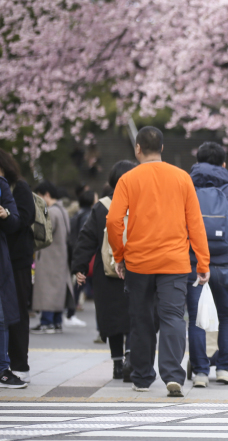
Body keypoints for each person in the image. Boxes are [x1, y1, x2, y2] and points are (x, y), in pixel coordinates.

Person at [106, 126, 211, 397]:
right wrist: (203, 262)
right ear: (162, 148)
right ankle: (173, 375)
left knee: (140, 319)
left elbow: (113, 221)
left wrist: (120, 255)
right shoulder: (182, 178)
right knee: (173, 317)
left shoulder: (128, 179)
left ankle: (141, 377)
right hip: (175, 262)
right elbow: (195, 223)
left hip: (138, 263)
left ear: (138, 149)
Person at [186, 142, 228, 387]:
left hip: (194, 265)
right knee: (227, 316)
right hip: (225, 264)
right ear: (224, 165)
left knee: (195, 318)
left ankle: (200, 372)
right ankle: (224, 368)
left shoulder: (188, 190)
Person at [72, 161, 137, 381]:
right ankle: (131, 358)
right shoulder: (142, 204)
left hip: (107, 273)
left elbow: (86, 238)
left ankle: (118, 364)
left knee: (113, 320)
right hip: (137, 271)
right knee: (134, 317)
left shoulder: (102, 206)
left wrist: (79, 266)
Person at [0, 150, 36, 383]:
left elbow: (25, 217)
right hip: (5, 258)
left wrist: (6, 215)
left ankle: (19, 362)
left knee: (17, 310)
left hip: (18, 260)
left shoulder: (17, 187)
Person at [31, 181, 71, 334]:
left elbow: (42, 234)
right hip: (60, 256)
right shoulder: (63, 211)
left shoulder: (51, 212)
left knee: (47, 290)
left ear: (46, 195)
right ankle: (56, 322)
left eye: (39, 196)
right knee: (57, 290)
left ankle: (46, 322)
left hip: (49, 257)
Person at [0, 169, 26, 388]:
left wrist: (6, 214)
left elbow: (15, 221)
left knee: (1, 318)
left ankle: (2, 369)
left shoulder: (1, 185)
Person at [65, 189, 96, 327]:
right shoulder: (89, 215)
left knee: (78, 283)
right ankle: (71, 312)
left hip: (74, 251)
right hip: (84, 254)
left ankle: (71, 311)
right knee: (80, 282)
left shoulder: (77, 214)